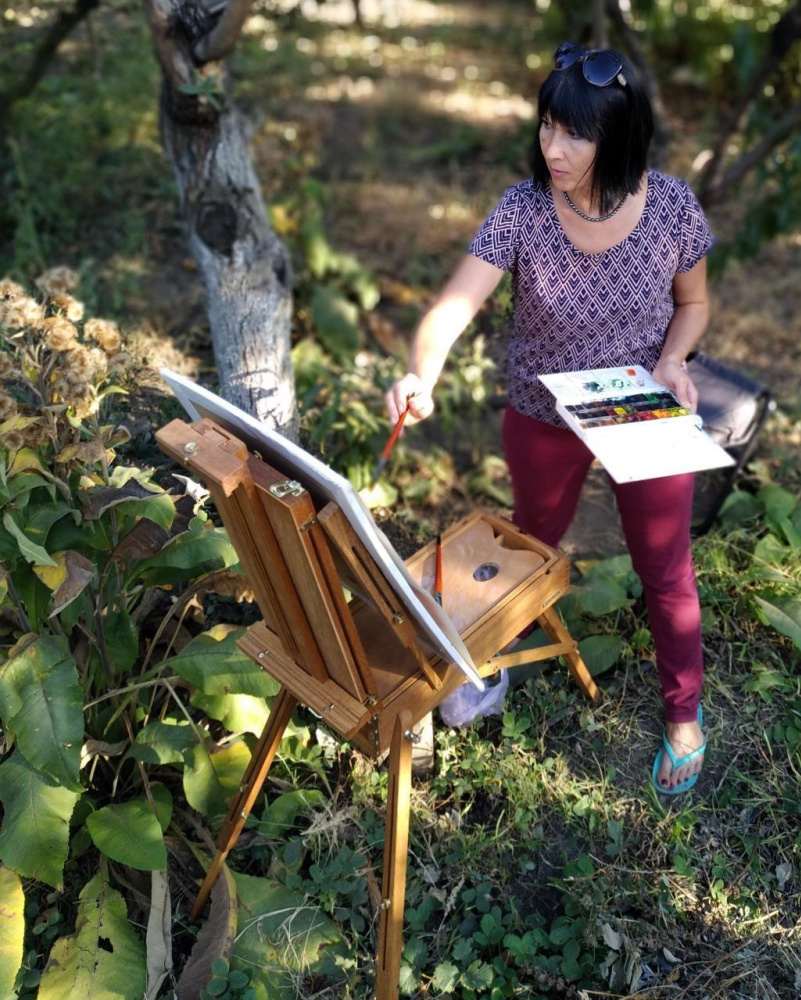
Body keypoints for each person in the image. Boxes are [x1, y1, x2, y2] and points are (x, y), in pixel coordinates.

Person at [385, 43, 713, 795]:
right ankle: (500, 647)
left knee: (663, 566)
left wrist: (673, 360)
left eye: (574, 134)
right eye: (545, 127)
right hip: (543, 407)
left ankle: (683, 713)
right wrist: (418, 372)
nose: (551, 148)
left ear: (618, 136)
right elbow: (453, 306)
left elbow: (692, 304)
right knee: (532, 538)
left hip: (636, 402)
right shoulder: (522, 212)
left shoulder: (670, 207)